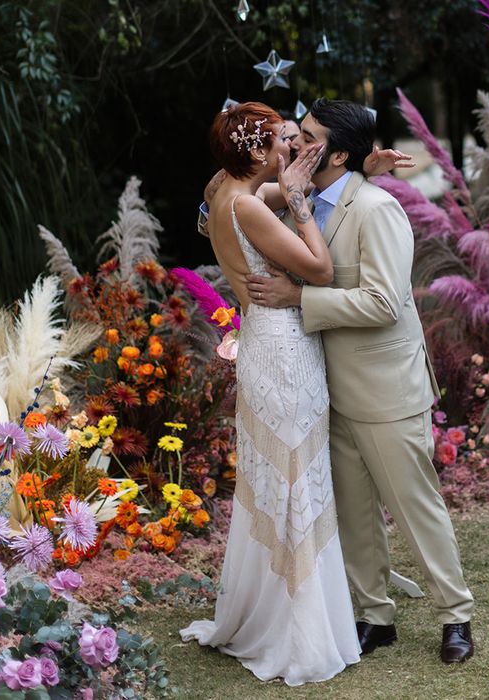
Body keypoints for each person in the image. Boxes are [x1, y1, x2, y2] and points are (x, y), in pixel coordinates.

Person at [246, 98, 476, 664]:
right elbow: (226, 202)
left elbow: (383, 301)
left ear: (338, 152)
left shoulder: (375, 209)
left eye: (306, 137)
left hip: (385, 389)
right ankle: (376, 616)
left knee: (415, 504)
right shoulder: (300, 203)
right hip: (326, 388)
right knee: (352, 512)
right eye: (296, 135)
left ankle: (456, 616)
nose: (293, 144)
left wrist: (300, 297)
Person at [179, 102, 361, 686]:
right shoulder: (250, 209)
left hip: (263, 343)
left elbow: (275, 192)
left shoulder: (223, 190)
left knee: (277, 473)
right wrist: (304, 203)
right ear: (256, 152)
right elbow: (321, 268)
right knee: (294, 475)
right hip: (285, 350)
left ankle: (272, 608)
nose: (290, 148)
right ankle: (297, 632)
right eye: (282, 141)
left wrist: (355, 170)